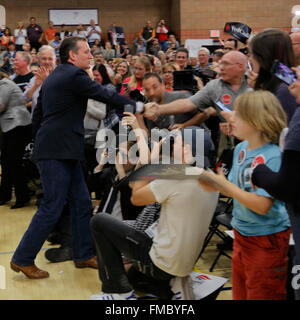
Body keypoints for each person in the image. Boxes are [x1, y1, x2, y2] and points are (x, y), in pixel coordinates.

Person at [10, 36, 137, 280]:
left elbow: (38, 114)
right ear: (72, 56)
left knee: (81, 203)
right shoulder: (73, 75)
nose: (91, 56)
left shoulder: (56, 77)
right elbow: (106, 95)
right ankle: (22, 259)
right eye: (87, 52)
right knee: (53, 206)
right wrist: (137, 107)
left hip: (62, 149)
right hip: (57, 151)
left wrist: (39, 143)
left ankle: (82, 254)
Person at [90, 127, 219, 300]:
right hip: (185, 262)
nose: (172, 148)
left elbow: (135, 196)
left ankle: (119, 293)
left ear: (187, 149)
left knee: (99, 222)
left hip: (161, 262)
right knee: (136, 279)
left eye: (176, 144)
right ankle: (176, 282)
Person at [199, 90, 291, 300]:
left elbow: (262, 205)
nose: (231, 117)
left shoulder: (273, 156)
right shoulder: (241, 148)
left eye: (238, 114)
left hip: (266, 239)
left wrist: (225, 187)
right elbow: (234, 189)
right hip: (241, 234)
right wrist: (214, 184)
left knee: (262, 294)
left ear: (257, 122)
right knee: (241, 294)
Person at [251, 72, 300, 300]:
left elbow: (282, 188)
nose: (293, 85)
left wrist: (258, 174)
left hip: (271, 237)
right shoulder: (246, 150)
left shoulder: (271, 155)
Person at [248, 29, 298, 123]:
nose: (250, 59)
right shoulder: (283, 82)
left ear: (263, 57)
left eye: (252, 54)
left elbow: (280, 132)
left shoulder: (286, 89)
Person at [0, 72, 32, 209]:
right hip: (10, 127)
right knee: (6, 161)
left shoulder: (4, 84)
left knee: (14, 162)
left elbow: (1, 105)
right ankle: (5, 195)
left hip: (17, 126)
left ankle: (22, 197)